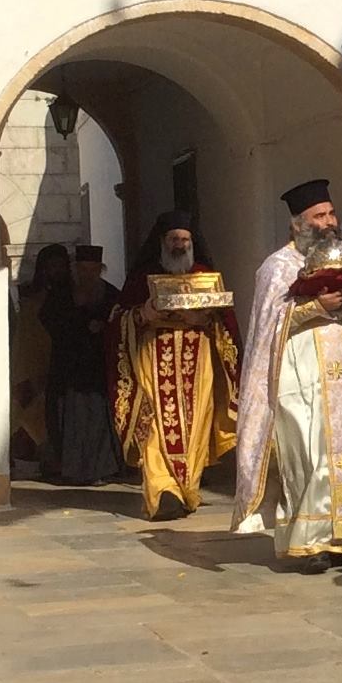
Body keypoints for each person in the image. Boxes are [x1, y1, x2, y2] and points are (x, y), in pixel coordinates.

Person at [232, 179, 342, 573]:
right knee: (311, 455)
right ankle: (310, 542)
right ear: (297, 224)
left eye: (330, 214)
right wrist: (314, 306)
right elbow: (267, 327)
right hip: (303, 380)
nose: (327, 222)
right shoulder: (278, 267)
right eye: (317, 217)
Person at [107, 210, 240, 520]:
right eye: (173, 239)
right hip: (154, 359)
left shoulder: (206, 275)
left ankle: (186, 491)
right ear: (162, 243)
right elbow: (118, 318)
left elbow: (226, 323)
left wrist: (206, 317)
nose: (179, 245)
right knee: (154, 424)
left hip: (199, 362)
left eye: (185, 239)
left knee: (194, 426)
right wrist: (143, 314)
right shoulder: (142, 278)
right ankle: (161, 492)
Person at [41, 245, 124, 485]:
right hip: (68, 369)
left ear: (100, 270)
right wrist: (76, 319)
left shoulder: (110, 294)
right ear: (76, 270)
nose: (88, 275)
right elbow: (49, 322)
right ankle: (73, 469)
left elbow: (121, 323)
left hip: (99, 369)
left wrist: (103, 328)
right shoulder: (61, 294)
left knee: (100, 421)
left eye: (93, 270)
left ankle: (103, 468)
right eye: (83, 270)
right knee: (71, 420)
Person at [10, 244, 70, 475]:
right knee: (33, 410)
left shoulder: (73, 294)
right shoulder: (30, 299)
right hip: (34, 364)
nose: (56, 271)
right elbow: (27, 338)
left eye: (60, 265)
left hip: (66, 363)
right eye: (51, 266)